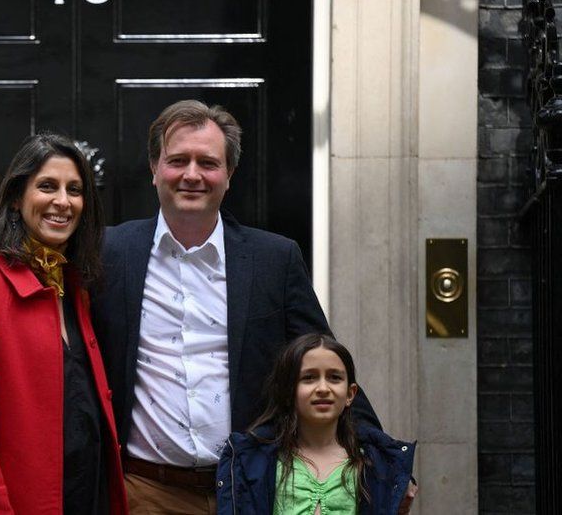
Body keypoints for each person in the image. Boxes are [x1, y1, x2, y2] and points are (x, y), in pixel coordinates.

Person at [90, 100, 408, 514]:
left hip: (250, 491)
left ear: (229, 174)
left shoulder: (273, 260)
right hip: (145, 491)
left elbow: (323, 362)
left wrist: (384, 463)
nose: (191, 175)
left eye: (208, 162)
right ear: (154, 169)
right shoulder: (109, 253)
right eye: (177, 160)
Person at [0, 133, 128, 515]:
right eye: (47, 186)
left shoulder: (75, 290)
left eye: (75, 190)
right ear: (17, 199)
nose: (62, 202)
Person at [216, 333, 416, 514]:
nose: (323, 388)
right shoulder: (252, 461)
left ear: (350, 394)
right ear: (288, 392)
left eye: (334, 378)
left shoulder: (375, 464)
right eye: (309, 378)